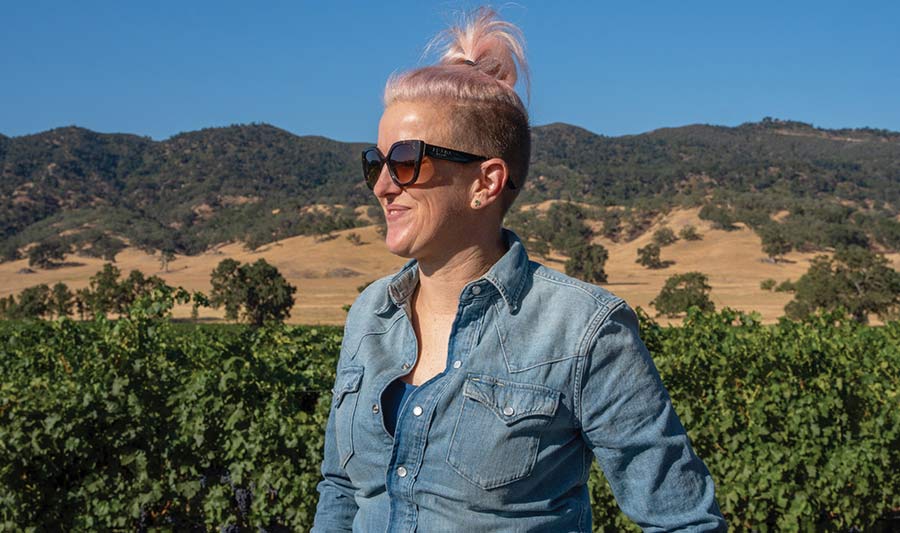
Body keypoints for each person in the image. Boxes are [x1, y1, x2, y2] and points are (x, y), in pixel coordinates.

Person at [312, 6, 726, 532]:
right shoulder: (371, 313)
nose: (382, 185)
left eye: (407, 161)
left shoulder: (584, 330)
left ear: (486, 182)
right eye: (377, 162)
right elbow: (342, 490)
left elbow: (682, 521)